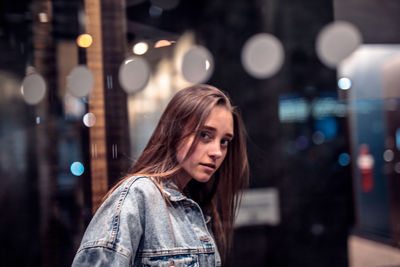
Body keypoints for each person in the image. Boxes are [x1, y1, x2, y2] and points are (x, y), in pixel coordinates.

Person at [72, 84, 249, 266]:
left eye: (225, 141)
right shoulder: (138, 195)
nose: (217, 152)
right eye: (205, 135)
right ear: (175, 131)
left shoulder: (195, 207)